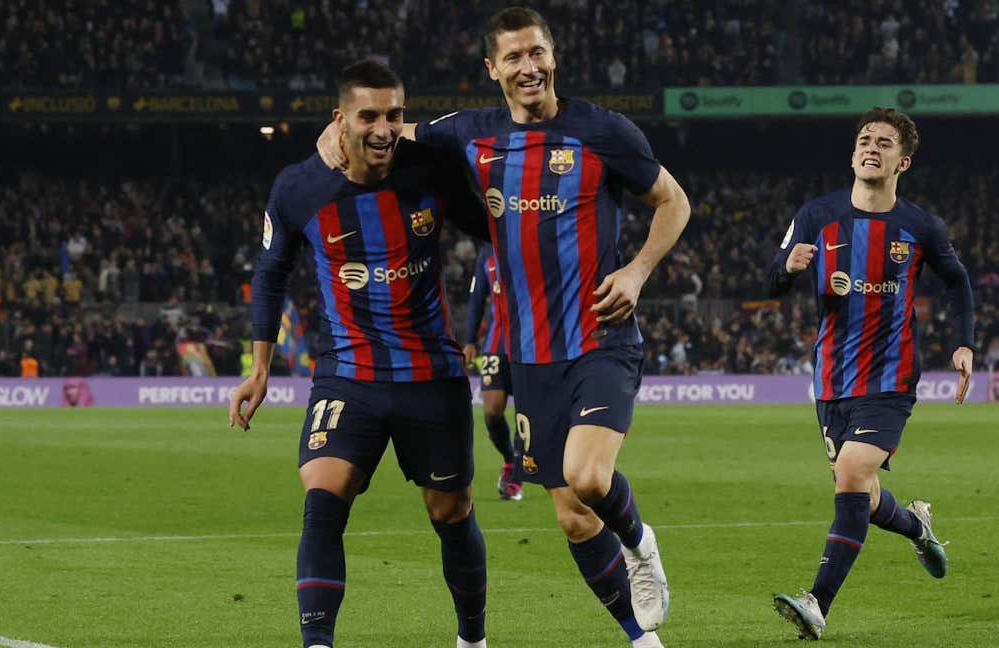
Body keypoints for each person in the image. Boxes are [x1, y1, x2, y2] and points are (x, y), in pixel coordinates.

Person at [317, 8, 691, 647]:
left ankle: (640, 542)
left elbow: (673, 201)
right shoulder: (470, 133)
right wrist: (330, 139)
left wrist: (635, 273)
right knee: (574, 519)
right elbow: (392, 132)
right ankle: (642, 640)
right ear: (492, 69)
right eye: (513, 57)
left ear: (555, 57)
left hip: (600, 337)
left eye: (536, 53)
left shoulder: (605, 132)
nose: (528, 67)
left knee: (590, 478)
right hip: (530, 359)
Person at [228, 60, 492, 648]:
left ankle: (472, 638)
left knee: (451, 513)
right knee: (323, 496)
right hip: (348, 373)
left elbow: (491, 229)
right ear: (340, 119)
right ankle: (317, 643)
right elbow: (271, 274)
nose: (383, 128)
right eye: (368, 115)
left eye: (394, 115)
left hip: (431, 374)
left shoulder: (432, 167)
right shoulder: (300, 187)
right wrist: (260, 367)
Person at [765, 107, 976, 640]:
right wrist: (787, 270)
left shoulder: (920, 226)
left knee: (853, 474)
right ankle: (915, 526)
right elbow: (772, 280)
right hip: (832, 377)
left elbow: (958, 282)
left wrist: (963, 342)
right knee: (861, 489)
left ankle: (818, 603)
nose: (871, 147)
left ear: (902, 160)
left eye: (884, 142)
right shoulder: (816, 215)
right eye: (864, 139)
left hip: (892, 374)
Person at [462, 243, 524, 500]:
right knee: (491, 411)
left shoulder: (526, 241)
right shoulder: (486, 251)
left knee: (527, 413)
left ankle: (516, 478)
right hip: (496, 344)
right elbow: (477, 299)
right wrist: (469, 340)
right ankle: (510, 459)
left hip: (530, 345)